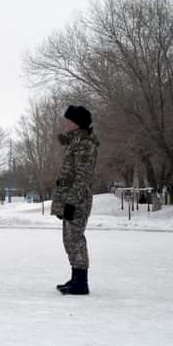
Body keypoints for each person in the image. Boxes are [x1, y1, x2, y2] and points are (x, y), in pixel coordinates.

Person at [51, 105, 99, 295]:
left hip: (77, 200)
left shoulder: (84, 145)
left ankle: (81, 283)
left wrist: (72, 202)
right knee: (69, 240)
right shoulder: (75, 142)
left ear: (76, 123)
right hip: (70, 199)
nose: (64, 123)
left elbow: (82, 176)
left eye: (67, 120)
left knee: (75, 239)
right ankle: (75, 278)